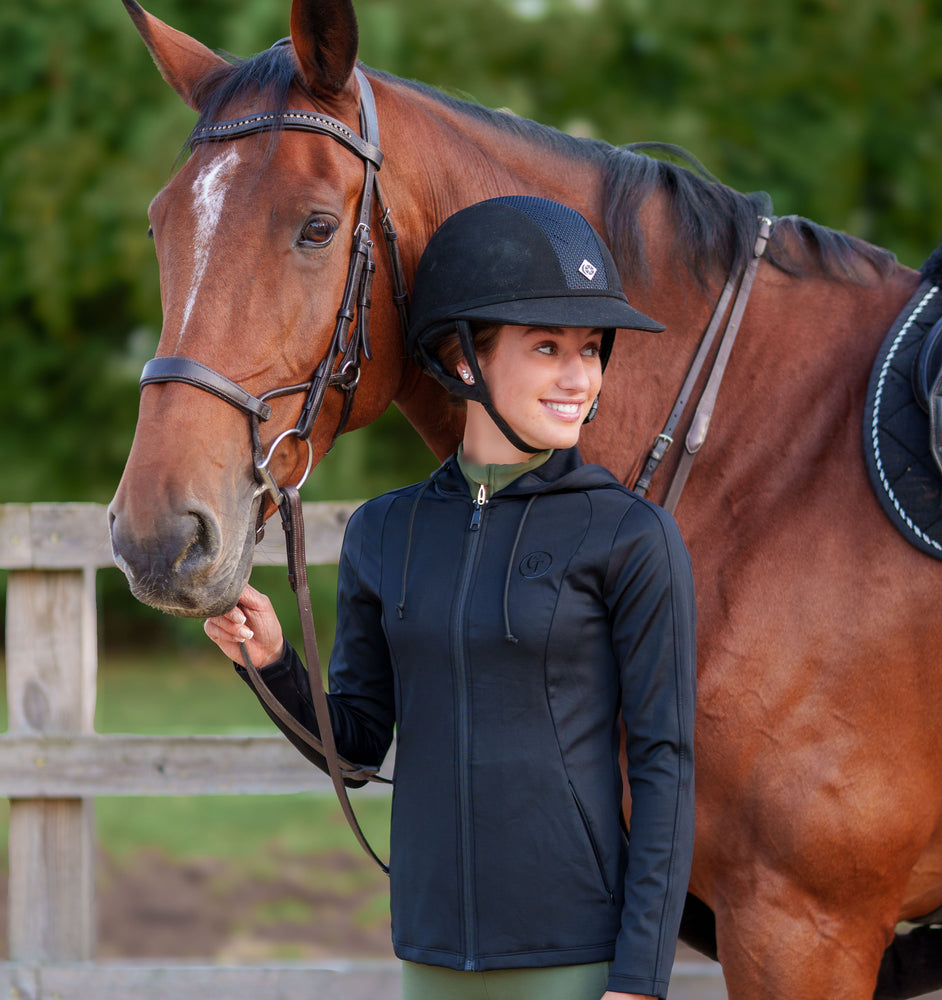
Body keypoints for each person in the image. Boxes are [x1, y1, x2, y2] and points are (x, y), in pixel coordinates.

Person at [204, 196, 696, 1000]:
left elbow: (665, 766)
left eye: (590, 350)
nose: (580, 377)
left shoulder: (631, 538)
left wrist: (639, 978)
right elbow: (358, 747)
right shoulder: (384, 533)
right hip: (430, 949)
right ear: (465, 359)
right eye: (547, 347)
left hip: (572, 954)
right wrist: (274, 661)